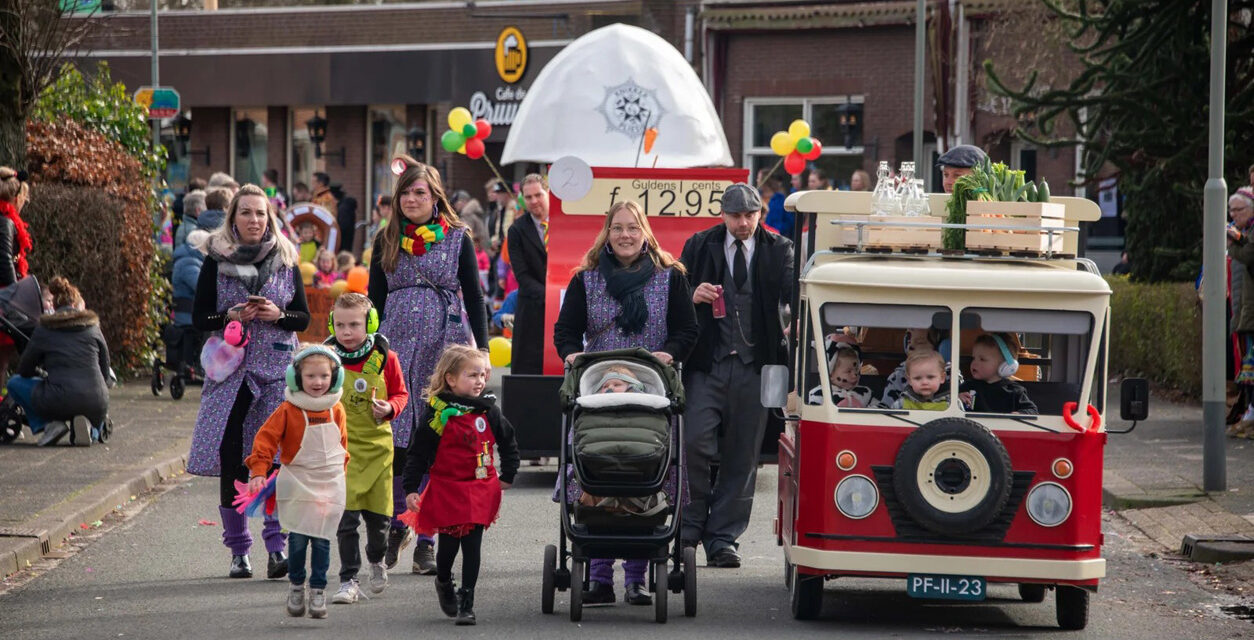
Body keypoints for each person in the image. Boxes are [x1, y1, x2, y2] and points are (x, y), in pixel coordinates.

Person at [552, 200, 699, 605]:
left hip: (650, 388)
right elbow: (566, 331)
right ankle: (598, 576)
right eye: (617, 228)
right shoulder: (587, 279)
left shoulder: (671, 278)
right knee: (598, 469)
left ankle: (636, 577)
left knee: (641, 469)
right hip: (599, 387)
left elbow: (687, 330)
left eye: (632, 228)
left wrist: (670, 352)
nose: (625, 235)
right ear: (607, 233)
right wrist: (571, 354)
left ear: (645, 231)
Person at [368, 155, 489, 575]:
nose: (412, 199)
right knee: (400, 442)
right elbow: (373, 302)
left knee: (435, 440)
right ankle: (402, 523)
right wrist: (371, 352)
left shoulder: (457, 238)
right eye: (406, 192)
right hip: (398, 345)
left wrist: (484, 350)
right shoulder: (385, 240)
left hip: (444, 345)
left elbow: (474, 296)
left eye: (420, 192)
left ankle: (425, 541)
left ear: (435, 197)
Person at [189, 184, 309, 580]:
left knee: (275, 459)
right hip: (231, 373)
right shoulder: (215, 259)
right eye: (246, 213)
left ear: (269, 217)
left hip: (276, 370)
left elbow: (303, 319)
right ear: (233, 219)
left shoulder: (287, 258)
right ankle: (239, 552)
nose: (254, 220)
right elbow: (199, 318)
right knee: (232, 459)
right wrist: (231, 315)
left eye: (260, 213)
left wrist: (279, 314)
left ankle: (276, 550)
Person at [679, 183, 794, 569]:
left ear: (760, 214)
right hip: (707, 363)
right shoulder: (699, 245)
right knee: (692, 441)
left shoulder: (779, 249)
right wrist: (692, 294)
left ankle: (723, 538)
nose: (743, 223)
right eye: (736, 216)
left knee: (742, 456)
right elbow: (673, 292)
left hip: (755, 366)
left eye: (750, 215)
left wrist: (795, 325)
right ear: (723, 215)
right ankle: (689, 528)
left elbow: (796, 296)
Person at [403, 345, 519, 626]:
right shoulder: (437, 413)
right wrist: (411, 488)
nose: (480, 380)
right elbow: (417, 453)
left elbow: (507, 440)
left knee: (472, 544)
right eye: (472, 375)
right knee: (448, 547)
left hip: (480, 486)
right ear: (451, 379)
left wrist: (509, 472)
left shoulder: (488, 410)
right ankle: (444, 581)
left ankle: (467, 600)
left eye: (482, 374)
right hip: (447, 487)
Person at [246, 345, 348, 620]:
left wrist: (341, 480)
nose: (318, 382)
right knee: (299, 540)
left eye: (324, 376)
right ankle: (296, 587)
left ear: (335, 378)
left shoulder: (336, 409)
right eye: (311, 376)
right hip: (298, 482)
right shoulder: (288, 410)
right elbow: (265, 440)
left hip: (328, 486)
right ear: (296, 378)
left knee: (323, 540)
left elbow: (342, 447)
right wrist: (258, 471)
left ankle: (318, 590)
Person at [324, 293, 410, 605]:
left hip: (378, 451)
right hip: (341, 452)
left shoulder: (386, 357)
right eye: (340, 324)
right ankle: (348, 579)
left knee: (378, 524)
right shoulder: (326, 357)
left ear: (369, 324)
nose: (346, 331)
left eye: (355, 325)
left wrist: (389, 408)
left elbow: (401, 394)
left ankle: (376, 560)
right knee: (345, 520)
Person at [5, 276, 111, 446]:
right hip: (96, 399)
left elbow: (24, 369)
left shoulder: (44, 329)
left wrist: (44, 374)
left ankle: (49, 426)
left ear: (53, 306)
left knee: (14, 383)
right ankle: (91, 429)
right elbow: (105, 370)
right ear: (76, 305)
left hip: (59, 399)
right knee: (95, 406)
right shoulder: (93, 328)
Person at [506, 174, 550, 374]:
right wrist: (549, 295)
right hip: (532, 306)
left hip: (565, 303)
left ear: (548, 193)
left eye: (538, 195)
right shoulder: (517, 230)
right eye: (528, 197)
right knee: (529, 370)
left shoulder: (564, 223)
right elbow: (521, 274)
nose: (533, 201)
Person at [0, 167, 34, 391]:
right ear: (16, 197)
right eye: (24, 198)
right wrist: (17, 295)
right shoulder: (6, 222)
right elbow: (4, 261)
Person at [1227, 188, 1254, 425]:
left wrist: (1235, 242)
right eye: (1231, 211)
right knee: (1248, 366)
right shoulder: (1243, 233)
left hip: (1249, 311)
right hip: (1244, 310)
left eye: (1239, 210)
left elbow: (1248, 255)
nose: (1234, 215)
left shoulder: (1246, 235)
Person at [959, 333, 1038, 414]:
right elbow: (946, 401)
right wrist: (957, 399)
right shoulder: (967, 386)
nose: (974, 363)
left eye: (982, 359)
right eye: (974, 358)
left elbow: (1033, 410)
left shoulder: (1014, 391)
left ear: (1004, 366)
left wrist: (1021, 414)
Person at [880, 327, 955, 408]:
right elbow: (886, 410)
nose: (924, 382)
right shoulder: (897, 378)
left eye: (920, 343)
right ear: (909, 379)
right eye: (917, 378)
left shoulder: (952, 376)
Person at [806, 340, 873, 407]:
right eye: (848, 371)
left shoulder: (865, 393)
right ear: (830, 374)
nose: (855, 375)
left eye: (856, 370)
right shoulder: (818, 395)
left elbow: (879, 410)